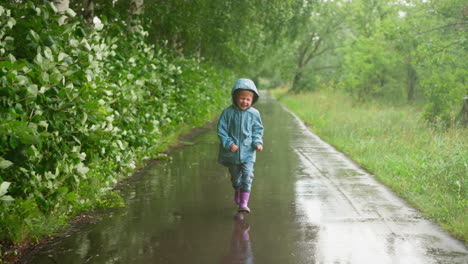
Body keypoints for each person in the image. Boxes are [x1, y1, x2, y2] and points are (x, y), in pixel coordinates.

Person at [217, 78, 264, 213]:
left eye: (248, 99)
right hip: (232, 152)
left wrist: (258, 142)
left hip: (248, 151)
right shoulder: (228, 113)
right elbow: (222, 130)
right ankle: (237, 188)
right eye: (242, 98)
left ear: (253, 100)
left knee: (248, 176)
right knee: (236, 178)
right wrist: (228, 143)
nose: (245, 101)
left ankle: (243, 204)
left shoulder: (254, 114)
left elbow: (257, 130)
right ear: (235, 97)